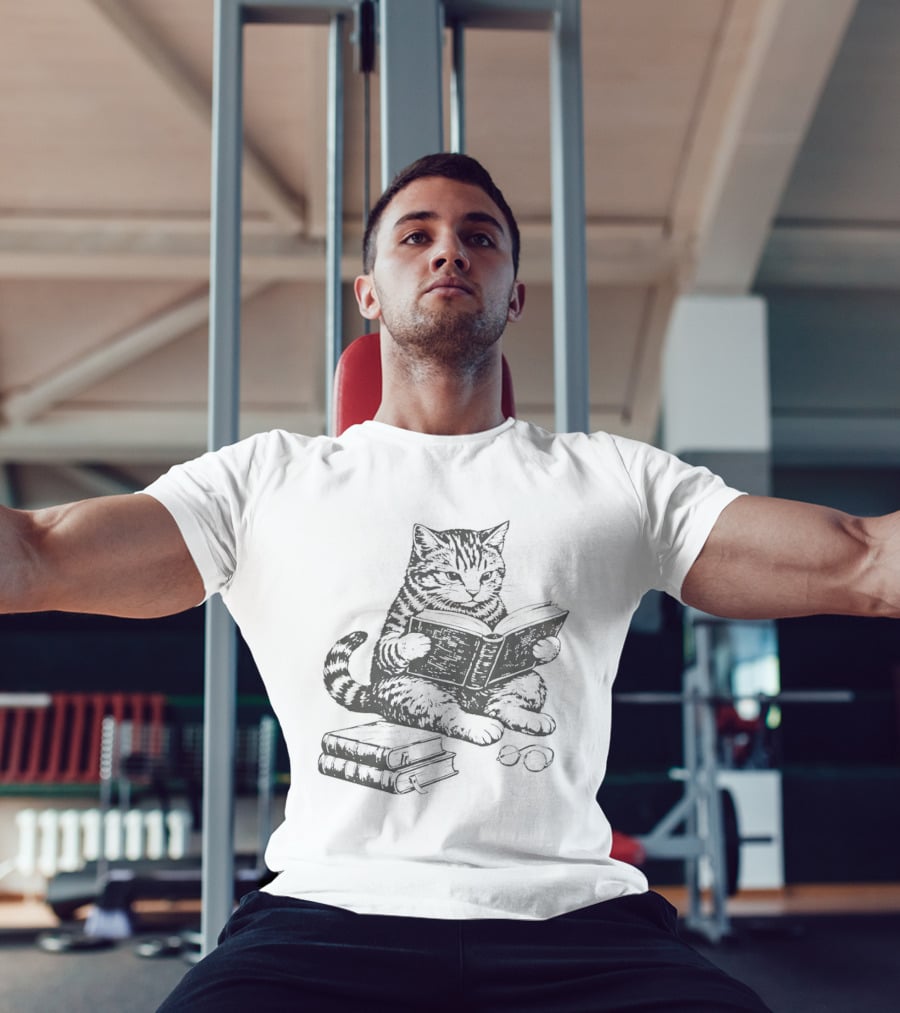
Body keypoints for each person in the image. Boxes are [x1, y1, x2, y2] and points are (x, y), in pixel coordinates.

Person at [3, 153, 897, 1012]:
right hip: (327, 911)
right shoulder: (264, 481)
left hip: (574, 919)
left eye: (479, 236)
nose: (448, 251)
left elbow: (861, 558)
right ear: (368, 293)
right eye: (416, 235)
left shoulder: (613, 479)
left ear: (515, 294)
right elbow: (41, 553)